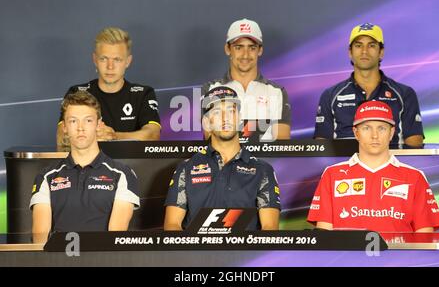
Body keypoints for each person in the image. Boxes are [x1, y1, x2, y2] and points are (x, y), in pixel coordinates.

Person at [308, 100, 439, 232]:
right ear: (356, 133)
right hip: (345, 256)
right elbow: (325, 236)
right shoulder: (332, 174)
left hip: (400, 256)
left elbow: (424, 238)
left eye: (382, 128)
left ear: (391, 133)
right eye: (366, 128)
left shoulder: (415, 177)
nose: (374, 135)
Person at [164, 86, 281, 231]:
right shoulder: (186, 168)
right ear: (207, 123)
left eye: (231, 111)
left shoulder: (262, 170)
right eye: (218, 112)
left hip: (245, 253)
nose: (226, 118)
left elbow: (270, 229)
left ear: (239, 119)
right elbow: (171, 225)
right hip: (196, 253)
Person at [31, 90, 140, 243]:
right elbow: (40, 241)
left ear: (98, 124)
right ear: (64, 127)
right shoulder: (46, 177)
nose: (80, 128)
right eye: (73, 121)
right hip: (58, 263)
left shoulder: (123, 174)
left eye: (88, 120)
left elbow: (115, 241)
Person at [314, 23, 424, 147]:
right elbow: (322, 147)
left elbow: (415, 143)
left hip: (390, 164)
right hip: (345, 165)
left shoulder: (404, 94)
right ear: (350, 52)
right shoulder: (330, 95)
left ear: (381, 52)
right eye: (358, 45)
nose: (364, 51)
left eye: (371, 45)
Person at [56, 27, 161, 147]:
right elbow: (62, 137)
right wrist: (93, 135)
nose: (110, 67)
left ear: (128, 61)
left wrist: (114, 136)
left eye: (117, 59)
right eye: (103, 59)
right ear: (95, 59)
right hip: (86, 165)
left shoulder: (143, 94)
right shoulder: (77, 93)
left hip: (131, 165)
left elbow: (153, 135)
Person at [202, 18, 291, 142]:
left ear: (260, 50)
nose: (245, 55)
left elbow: (282, 144)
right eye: (238, 47)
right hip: (225, 162)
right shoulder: (211, 89)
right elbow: (211, 139)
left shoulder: (276, 92)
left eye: (252, 48)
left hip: (266, 161)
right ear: (228, 49)